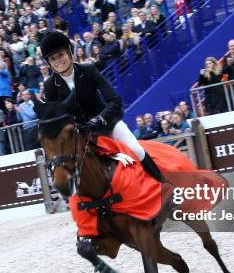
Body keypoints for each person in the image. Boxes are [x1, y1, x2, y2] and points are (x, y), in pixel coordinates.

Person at [40, 31, 165, 183]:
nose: (58, 61)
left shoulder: (88, 70)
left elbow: (115, 101)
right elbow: (55, 121)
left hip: (108, 125)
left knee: (136, 149)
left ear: (68, 51)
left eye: (60, 55)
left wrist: (98, 120)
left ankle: (163, 184)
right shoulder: (50, 86)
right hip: (82, 136)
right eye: (53, 59)